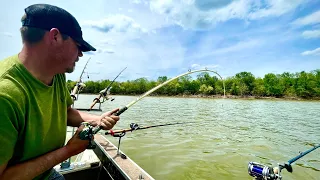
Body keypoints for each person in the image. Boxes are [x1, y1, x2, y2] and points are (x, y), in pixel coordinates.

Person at [0, 4, 120, 180]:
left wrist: (97, 120)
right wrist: (69, 150)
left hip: (46, 173)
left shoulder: (57, 73)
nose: (80, 55)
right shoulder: (6, 95)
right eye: (78, 46)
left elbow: (65, 112)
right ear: (55, 36)